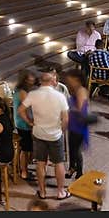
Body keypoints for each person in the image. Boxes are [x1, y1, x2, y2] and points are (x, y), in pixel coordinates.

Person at [20, 70, 70, 200]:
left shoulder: (33, 94)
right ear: (52, 81)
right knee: (59, 163)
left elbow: (21, 110)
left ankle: (42, 192)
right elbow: (65, 119)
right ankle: (60, 192)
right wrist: (62, 130)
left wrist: (29, 122)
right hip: (55, 134)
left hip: (38, 133)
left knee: (40, 163)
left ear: (41, 82)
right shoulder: (60, 96)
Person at [64, 69, 90, 179]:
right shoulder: (75, 90)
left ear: (76, 79)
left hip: (79, 124)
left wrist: (65, 109)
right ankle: (72, 167)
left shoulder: (81, 91)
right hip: (73, 123)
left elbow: (79, 109)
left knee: (76, 149)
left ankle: (79, 171)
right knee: (72, 148)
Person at [13, 69, 36, 182]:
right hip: (23, 124)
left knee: (25, 148)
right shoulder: (22, 92)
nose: (32, 82)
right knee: (25, 149)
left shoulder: (18, 90)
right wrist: (30, 123)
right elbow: (23, 111)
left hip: (19, 122)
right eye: (30, 80)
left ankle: (23, 169)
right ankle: (24, 172)